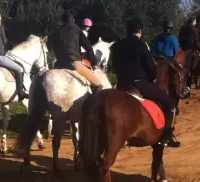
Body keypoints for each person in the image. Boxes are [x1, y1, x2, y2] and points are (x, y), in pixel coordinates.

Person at [112, 18, 180, 147]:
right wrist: (152, 77)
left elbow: (114, 66)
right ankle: (167, 136)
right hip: (138, 83)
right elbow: (150, 66)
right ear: (140, 31)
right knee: (170, 102)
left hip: (121, 84)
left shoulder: (118, 45)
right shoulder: (140, 44)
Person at [52, 11, 102, 92]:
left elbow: (54, 46)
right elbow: (88, 46)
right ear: (73, 20)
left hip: (59, 63)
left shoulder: (57, 31)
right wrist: (94, 62)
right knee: (98, 84)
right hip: (73, 63)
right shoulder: (77, 29)